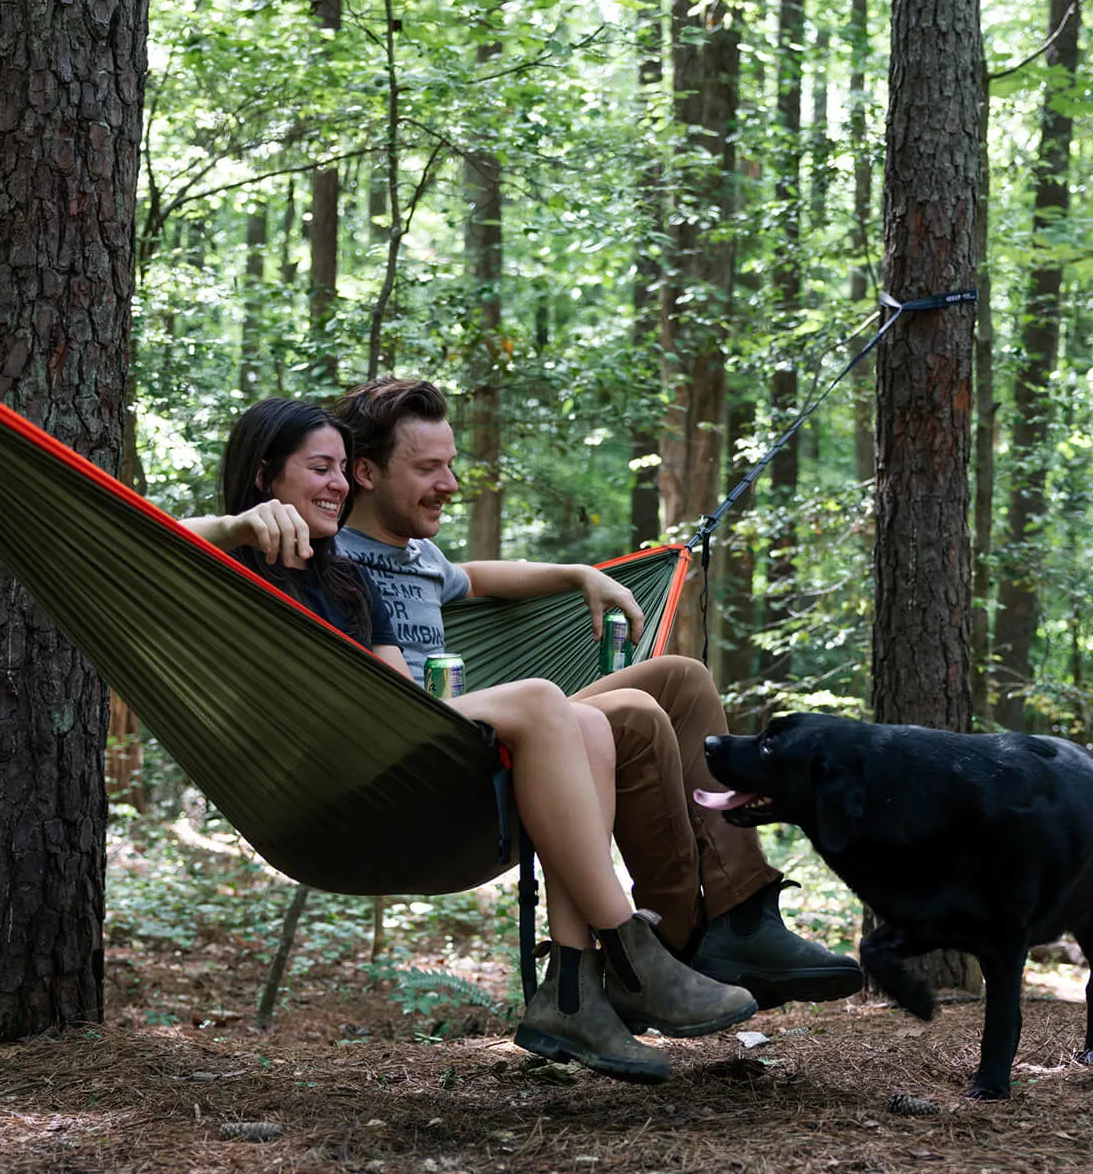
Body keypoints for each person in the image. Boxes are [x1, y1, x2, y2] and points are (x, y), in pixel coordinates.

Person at [183, 399, 755, 1083]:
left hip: (410, 759)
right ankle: (636, 955)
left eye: (342, 468)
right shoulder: (225, 570)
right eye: (319, 468)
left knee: (590, 724)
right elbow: (132, 546)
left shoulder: (347, 577)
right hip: (332, 797)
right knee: (546, 700)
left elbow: (398, 693)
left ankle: (572, 992)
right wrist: (231, 526)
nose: (339, 483)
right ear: (263, 477)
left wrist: (573, 579)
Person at [329, 379, 864, 1009]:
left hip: (499, 736)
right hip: (446, 763)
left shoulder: (419, 555)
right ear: (363, 471)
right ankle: (668, 946)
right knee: (633, 715)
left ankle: (741, 914)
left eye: (450, 464)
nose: (449, 483)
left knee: (683, 679)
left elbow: (472, 577)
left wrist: (582, 574)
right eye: (427, 468)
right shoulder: (326, 556)